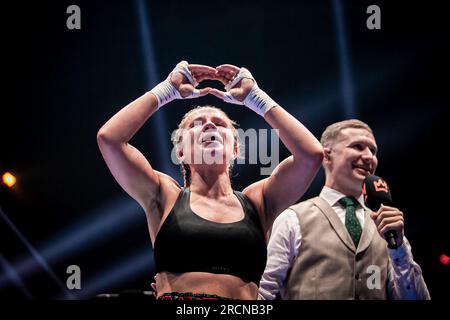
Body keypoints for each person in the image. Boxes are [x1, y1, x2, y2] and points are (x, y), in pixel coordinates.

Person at [97, 61, 324, 300]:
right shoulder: (163, 195)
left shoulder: (259, 201)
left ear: (235, 149)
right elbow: (110, 139)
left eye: (219, 124)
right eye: (196, 124)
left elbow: (311, 156)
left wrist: (256, 99)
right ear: (180, 151)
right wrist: (167, 90)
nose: (207, 124)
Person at [258, 119, 430, 300]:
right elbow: (263, 292)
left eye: (373, 151)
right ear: (327, 156)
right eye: (358, 146)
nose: (369, 156)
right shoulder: (292, 219)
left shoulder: (389, 229)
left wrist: (399, 249)